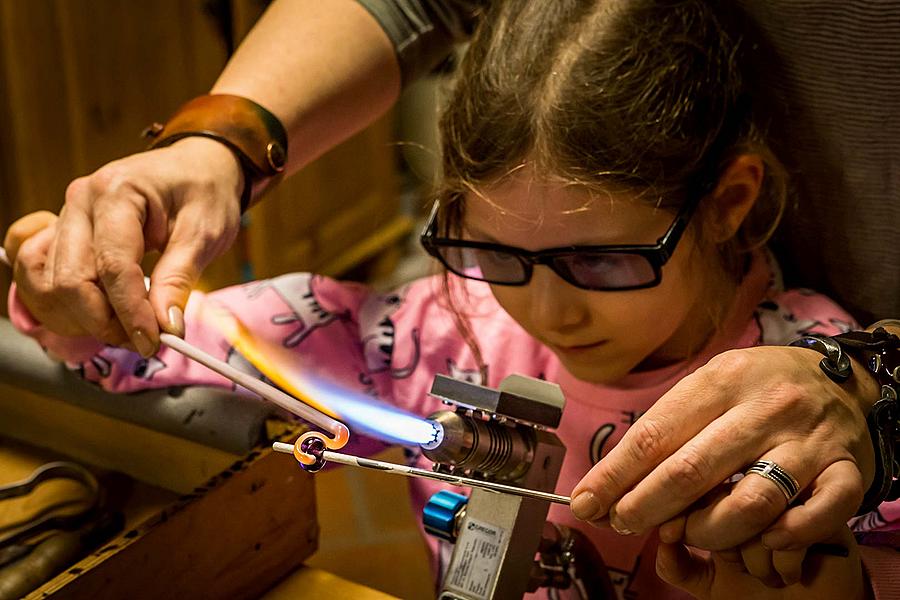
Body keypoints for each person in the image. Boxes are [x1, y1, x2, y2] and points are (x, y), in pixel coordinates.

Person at [7, 1, 898, 597]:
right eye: (494, 253)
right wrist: (76, 294)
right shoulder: (432, 330)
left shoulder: (815, 389)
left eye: (600, 262)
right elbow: (162, 343)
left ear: (727, 204)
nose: (549, 312)